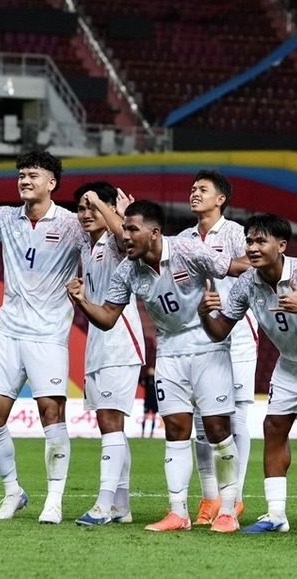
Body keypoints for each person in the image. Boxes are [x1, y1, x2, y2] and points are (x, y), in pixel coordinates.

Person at [67, 199, 247, 533]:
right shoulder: (127, 270)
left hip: (208, 346)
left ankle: (227, 510)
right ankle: (178, 513)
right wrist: (82, 302)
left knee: (217, 430)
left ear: (154, 233)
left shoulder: (188, 250)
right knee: (175, 431)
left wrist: (233, 300)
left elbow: (237, 267)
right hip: (168, 352)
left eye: (132, 229)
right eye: (124, 230)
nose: (125, 236)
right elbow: (107, 318)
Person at [0, 150, 87, 524]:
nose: (25, 180)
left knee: (51, 414)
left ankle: (54, 500)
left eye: (33, 175)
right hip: (7, 331)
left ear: (52, 183)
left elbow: (106, 249)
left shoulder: (72, 225)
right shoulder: (5, 218)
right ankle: (13, 491)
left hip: (48, 334)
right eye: (21, 175)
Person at [199, 213, 297, 536]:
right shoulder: (246, 283)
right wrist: (204, 315)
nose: (252, 248)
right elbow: (220, 331)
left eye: (261, 241)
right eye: (249, 241)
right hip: (291, 362)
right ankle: (276, 514)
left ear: (282, 245)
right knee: (273, 428)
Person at [178, 170, 257, 526]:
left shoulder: (238, 234)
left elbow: (257, 265)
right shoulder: (183, 238)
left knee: (236, 417)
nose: (194, 194)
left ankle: (234, 497)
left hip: (237, 334)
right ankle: (210, 497)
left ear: (220, 199)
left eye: (202, 189)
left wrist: (218, 266)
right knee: (201, 420)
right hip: (198, 338)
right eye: (193, 189)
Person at [71, 181, 145, 526]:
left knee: (110, 422)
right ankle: (121, 506)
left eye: (93, 207)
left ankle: (102, 505)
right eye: (81, 208)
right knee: (111, 427)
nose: (86, 213)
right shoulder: (89, 248)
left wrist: (110, 208)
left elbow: (124, 235)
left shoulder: (117, 242)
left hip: (121, 343)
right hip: (98, 345)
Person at [141, 366, 159, 437]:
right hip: (147, 400)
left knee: (154, 416)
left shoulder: (156, 379)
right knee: (145, 416)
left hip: (154, 400)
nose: (151, 371)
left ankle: (151, 433)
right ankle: (143, 433)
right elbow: (141, 381)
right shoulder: (146, 379)